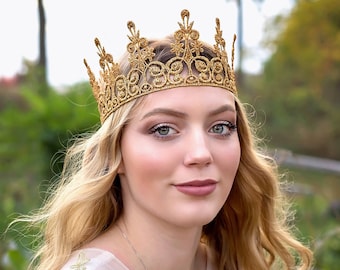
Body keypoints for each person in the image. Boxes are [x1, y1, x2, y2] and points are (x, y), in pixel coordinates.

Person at [23, 9, 313, 270]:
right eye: (163, 129)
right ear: (117, 154)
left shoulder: (226, 261)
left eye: (221, 127)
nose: (201, 153)